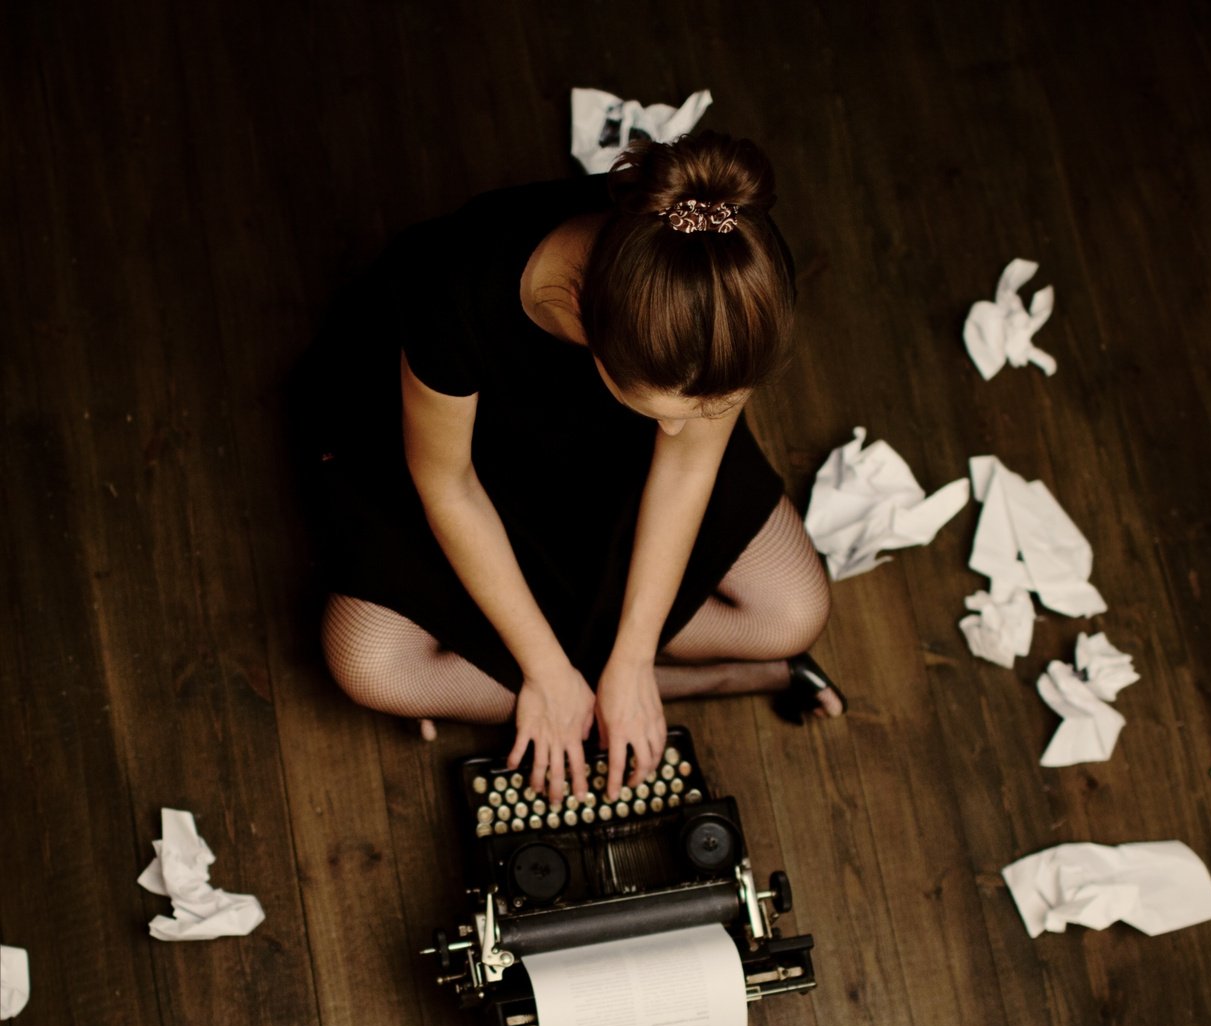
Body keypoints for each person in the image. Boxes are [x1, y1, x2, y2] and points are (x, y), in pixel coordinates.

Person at [292, 131, 842, 807]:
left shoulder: (733, 270)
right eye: (662, 410)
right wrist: (546, 669)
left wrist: (636, 656)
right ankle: (720, 679)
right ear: (588, 321)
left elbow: (685, 467)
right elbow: (449, 485)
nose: (676, 431)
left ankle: (580, 685)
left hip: (605, 461)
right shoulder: (454, 287)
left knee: (793, 612)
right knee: (369, 665)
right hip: (464, 462)